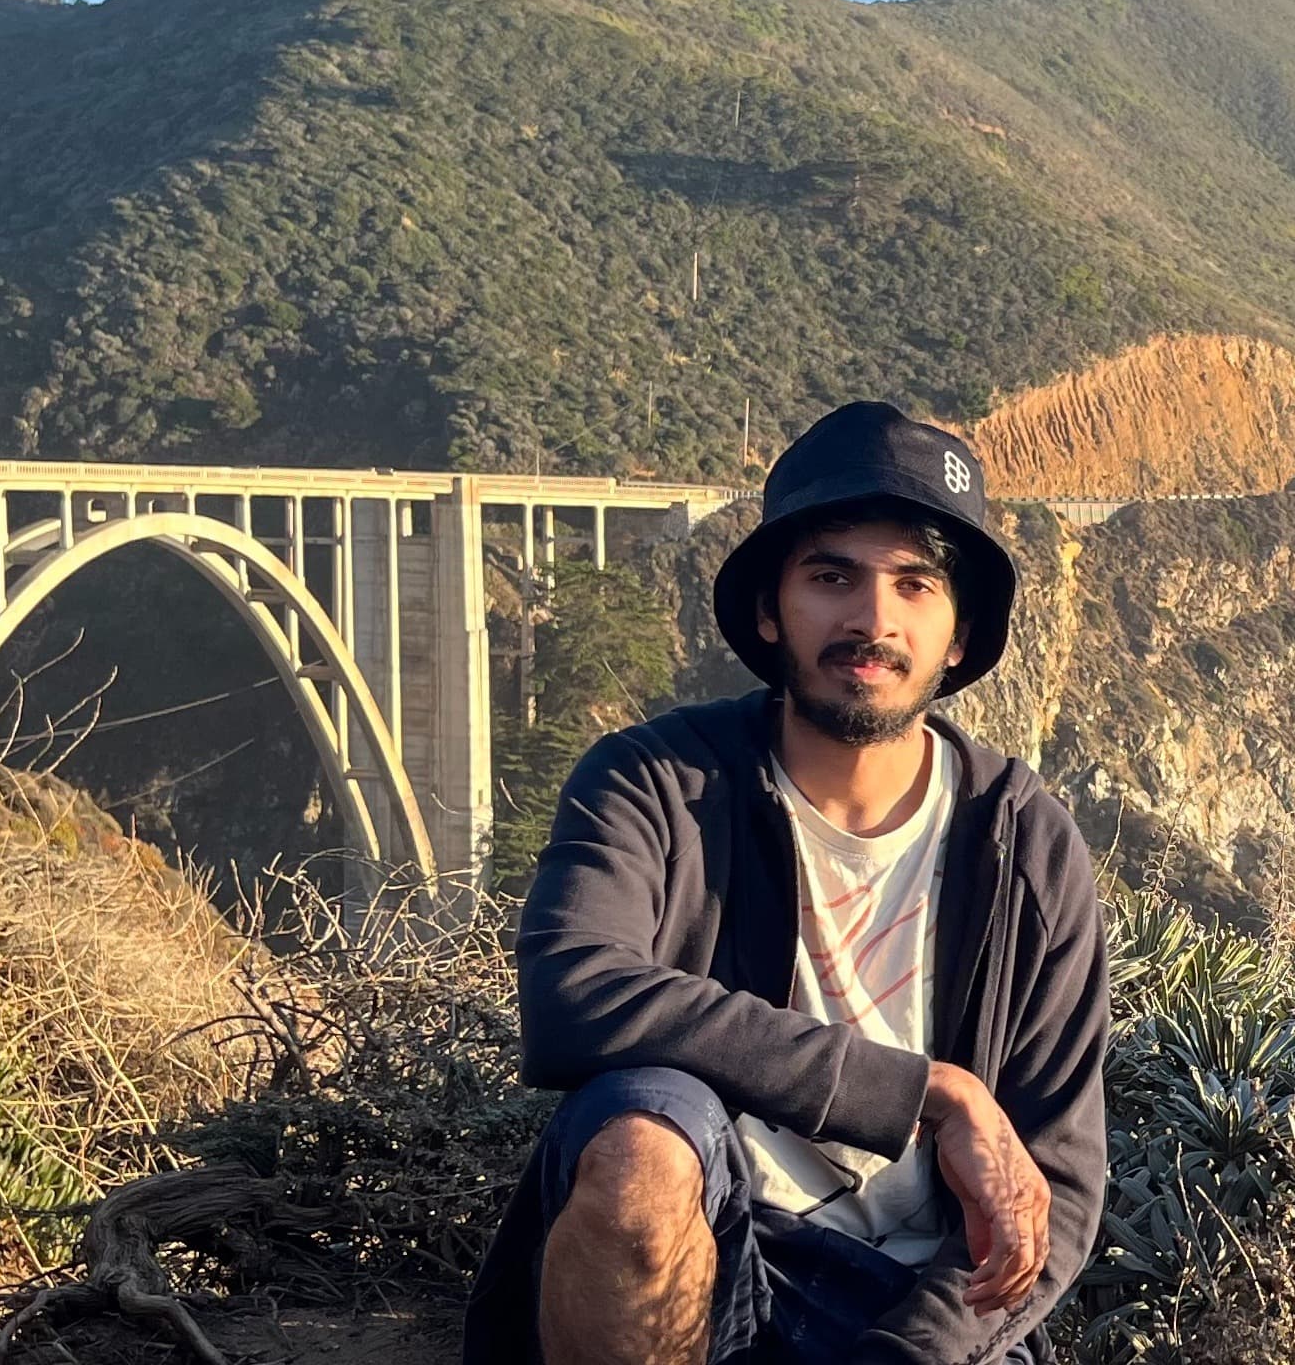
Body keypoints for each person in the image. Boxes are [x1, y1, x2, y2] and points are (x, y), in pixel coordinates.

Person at [463, 401, 1109, 1365]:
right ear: (772, 609)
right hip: (703, 1251)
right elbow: (574, 993)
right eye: (831, 576)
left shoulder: (1025, 842)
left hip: (916, 1303)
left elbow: (1054, 1183)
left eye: (915, 585)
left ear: (960, 636)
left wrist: (909, 1354)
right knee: (639, 1144)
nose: (872, 618)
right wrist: (928, 1092)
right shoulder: (656, 783)